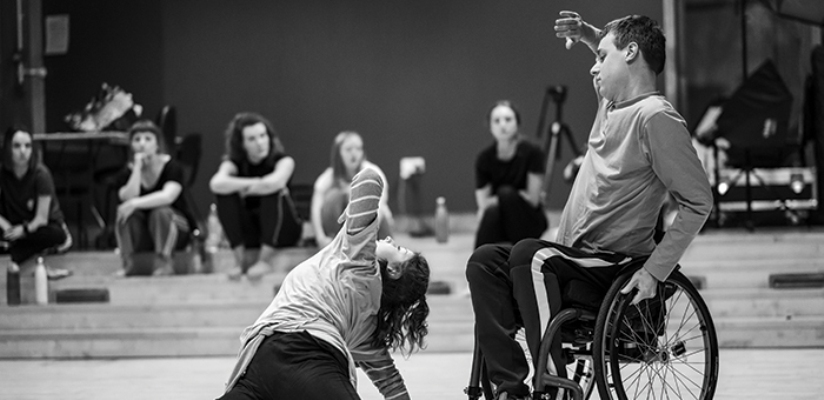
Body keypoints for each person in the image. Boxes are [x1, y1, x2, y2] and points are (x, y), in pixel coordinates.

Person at [465, 12, 713, 400]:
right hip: (575, 258)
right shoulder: (611, 105)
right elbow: (621, 44)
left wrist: (655, 272)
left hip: (614, 264)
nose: (593, 69)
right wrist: (586, 35)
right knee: (483, 261)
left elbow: (699, 201)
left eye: (600, 57)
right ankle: (509, 391)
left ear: (630, 53)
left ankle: (553, 389)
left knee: (532, 255)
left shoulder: (656, 118)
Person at [218, 167, 430, 400]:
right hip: (300, 357)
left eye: (398, 249)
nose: (390, 239)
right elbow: (393, 387)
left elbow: (369, 178)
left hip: (269, 355)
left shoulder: (360, 256)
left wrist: (354, 209)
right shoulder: (369, 333)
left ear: (394, 270)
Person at [209, 112, 302, 281]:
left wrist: (246, 187)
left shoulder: (283, 160)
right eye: (252, 139)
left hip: (284, 230)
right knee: (224, 196)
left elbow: (274, 183)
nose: (260, 143)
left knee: (270, 192)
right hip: (255, 229)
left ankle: (264, 260)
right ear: (242, 144)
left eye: (262, 136)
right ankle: (239, 261)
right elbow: (216, 183)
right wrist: (255, 182)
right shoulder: (233, 163)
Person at [114, 120, 194, 276]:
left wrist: (135, 203)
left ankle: (165, 262)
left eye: (148, 139)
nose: (142, 144)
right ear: (131, 145)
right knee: (126, 214)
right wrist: (137, 168)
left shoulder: (172, 167)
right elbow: (127, 198)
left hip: (176, 227)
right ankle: (128, 263)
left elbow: (168, 196)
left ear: (157, 144)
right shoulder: (127, 172)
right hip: (145, 232)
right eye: (137, 140)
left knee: (161, 212)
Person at [474, 100, 548, 249]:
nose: (503, 125)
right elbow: (483, 204)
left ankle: (520, 256)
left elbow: (533, 200)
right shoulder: (484, 159)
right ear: (490, 126)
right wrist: (507, 198)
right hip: (499, 221)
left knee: (505, 193)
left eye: (508, 119)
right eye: (497, 121)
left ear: (517, 123)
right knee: (492, 212)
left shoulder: (532, 152)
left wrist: (505, 198)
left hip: (529, 220)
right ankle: (478, 263)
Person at [0, 126, 71, 279]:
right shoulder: (3, 174)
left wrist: (23, 230)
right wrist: (7, 227)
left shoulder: (41, 175)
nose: (23, 151)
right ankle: (24, 256)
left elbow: (41, 218)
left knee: (55, 234)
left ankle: (17, 255)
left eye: (27, 145)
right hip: (13, 226)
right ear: (7, 148)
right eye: (17, 146)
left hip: (38, 227)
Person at [311, 131, 393, 248]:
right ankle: (338, 244)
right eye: (348, 149)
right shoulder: (329, 177)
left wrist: (364, 238)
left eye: (358, 149)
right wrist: (320, 238)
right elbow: (316, 208)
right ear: (338, 153)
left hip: (374, 230)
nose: (354, 154)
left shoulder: (373, 172)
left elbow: (380, 206)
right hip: (341, 234)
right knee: (334, 196)